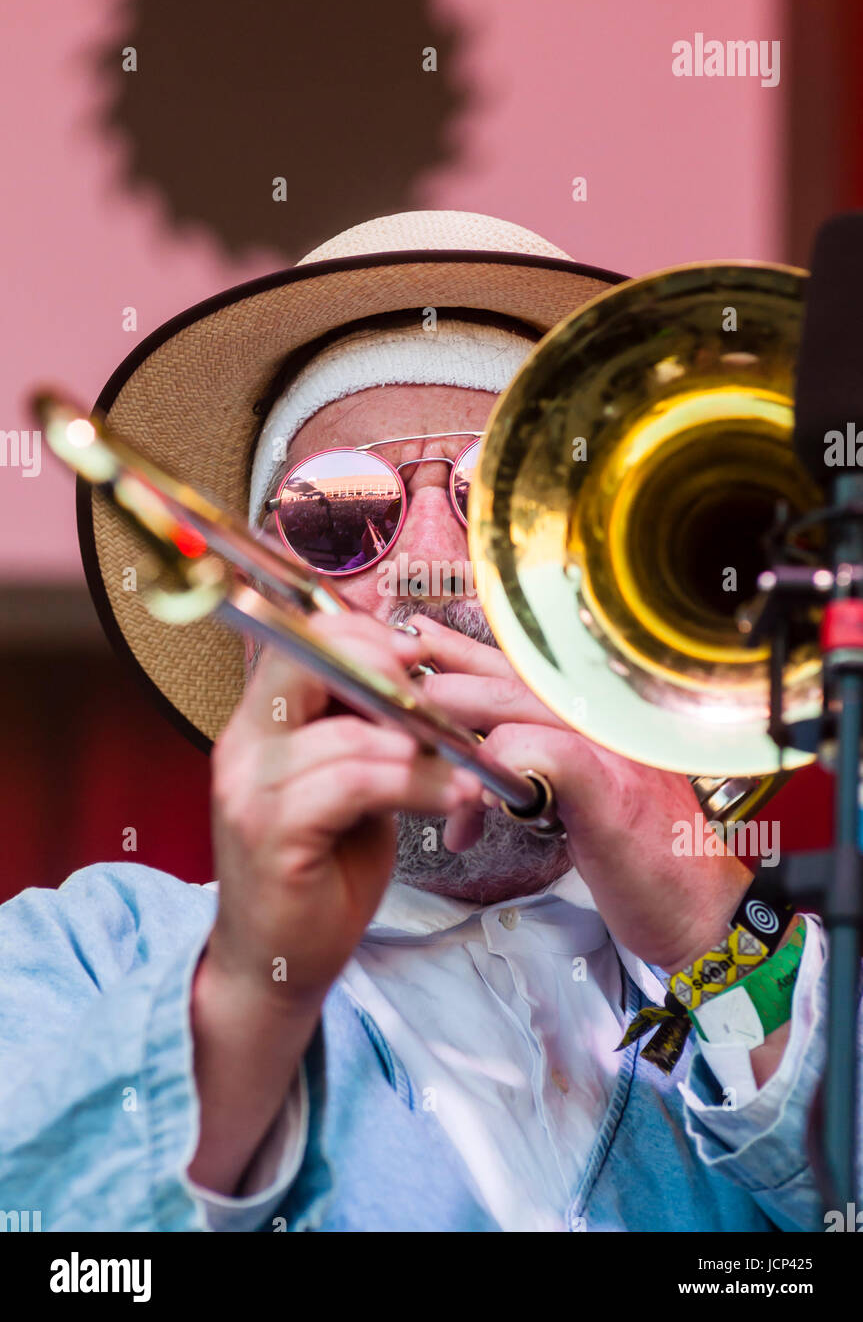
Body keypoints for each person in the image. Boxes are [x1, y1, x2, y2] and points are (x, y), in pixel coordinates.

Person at [0, 211, 846, 1232]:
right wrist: (246, 994)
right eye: (334, 512)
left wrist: (707, 921)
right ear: (250, 633)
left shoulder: (805, 983)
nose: (430, 570)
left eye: (501, 503)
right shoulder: (79, 954)